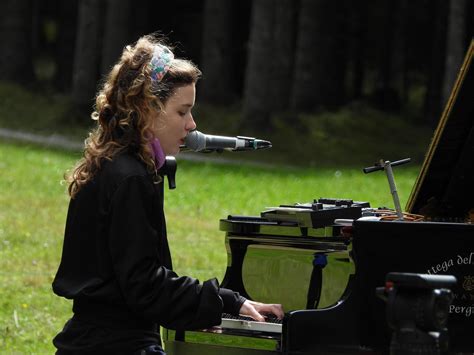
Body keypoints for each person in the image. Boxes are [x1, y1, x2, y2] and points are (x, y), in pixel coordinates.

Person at [52, 34, 283, 355]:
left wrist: (227, 301)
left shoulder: (112, 165)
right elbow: (145, 286)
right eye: (182, 112)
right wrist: (219, 303)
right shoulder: (130, 178)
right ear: (147, 109)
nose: (192, 124)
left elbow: (139, 282)